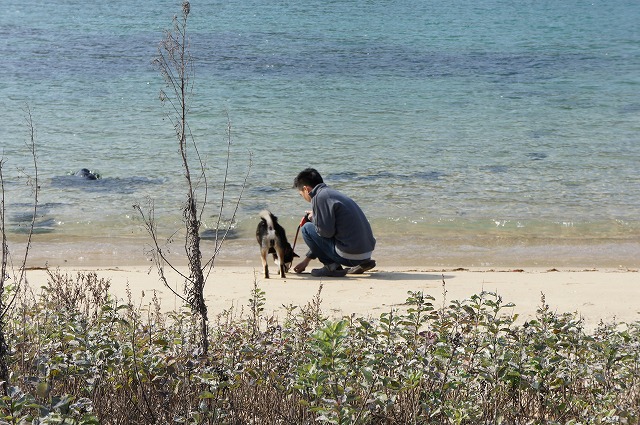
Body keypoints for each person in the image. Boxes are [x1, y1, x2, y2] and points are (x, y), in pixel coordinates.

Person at [292, 168, 376, 277]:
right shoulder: (331, 193)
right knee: (314, 228)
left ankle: (331, 267)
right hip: (366, 253)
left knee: (306, 228)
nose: (303, 197)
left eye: (301, 194)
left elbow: (325, 233)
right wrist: (306, 261)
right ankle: (361, 263)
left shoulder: (318, 197)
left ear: (306, 189)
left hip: (350, 256)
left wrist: (314, 219)